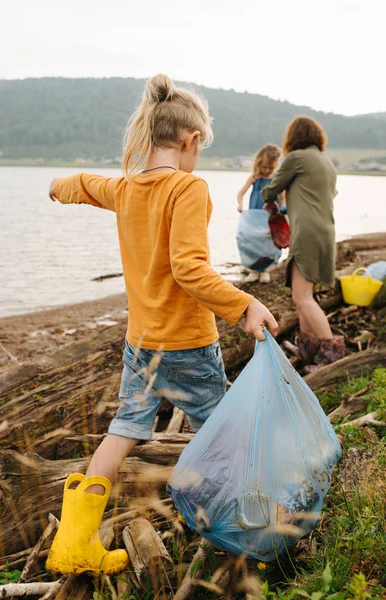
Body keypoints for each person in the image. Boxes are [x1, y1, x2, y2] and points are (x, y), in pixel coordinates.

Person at [45, 74, 278, 576]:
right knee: (222, 436)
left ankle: (74, 541)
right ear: (190, 141)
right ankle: (235, 534)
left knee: (123, 432)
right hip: (190, 346)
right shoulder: (188, 187)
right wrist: (244, 306)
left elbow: (87, 184)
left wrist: (57, 187)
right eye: (200, 148)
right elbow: (190, 269)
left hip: (141, 344)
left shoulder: (129, 188)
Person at [261, 116, 344, 373]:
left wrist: (272, 200)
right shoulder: (326, 163)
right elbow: (317, 197)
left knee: (303, 297)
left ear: (294, 138)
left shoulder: (296, 159)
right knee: (303, 297)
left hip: (306, 234)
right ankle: (310, 351)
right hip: (325, 233)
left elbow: (269, 190)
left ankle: (333, 360)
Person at [236, 144, 286, 284]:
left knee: (268, 240)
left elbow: (283, 198)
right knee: (253, 240)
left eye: (270, 168)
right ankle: (253, 270)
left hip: (270, 216)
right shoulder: (255, 178)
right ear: (259, 164)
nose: (266, 170)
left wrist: (283, 211)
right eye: (264, 167)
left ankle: (265, 270)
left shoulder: (276, 180)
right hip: (254, 216)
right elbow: (241, 193)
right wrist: (240, 205)